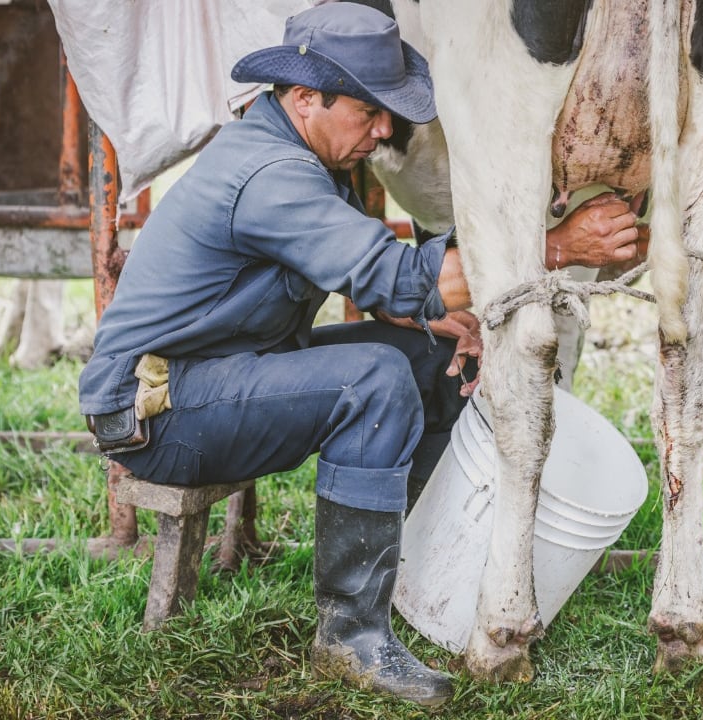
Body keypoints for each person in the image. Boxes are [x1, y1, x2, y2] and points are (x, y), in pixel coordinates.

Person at [78, 2, 643, 707]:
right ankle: (349, 636)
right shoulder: (272, 175)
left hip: (223, 372)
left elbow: (371, 281)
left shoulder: (302, 152)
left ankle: (427, 574)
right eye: (370, 110)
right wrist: (561, 247)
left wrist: (442, 323)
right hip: (161, 415)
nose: (385, 131)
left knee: (422, 360)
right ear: (305, 98)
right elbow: (403, 275)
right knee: (373, 380)